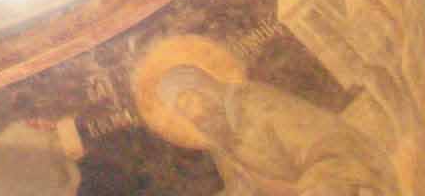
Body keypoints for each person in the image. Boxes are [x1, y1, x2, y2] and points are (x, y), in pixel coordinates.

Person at [156, 65, 397, 194]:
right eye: (182, 111)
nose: (193, 116)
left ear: (205, 88)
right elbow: (242, 188)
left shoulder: (256, 104)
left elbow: (328, 147)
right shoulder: (221, 140)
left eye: (189, 101)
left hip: (349, 177)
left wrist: (309, 190)